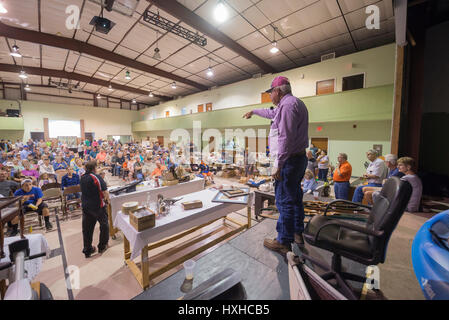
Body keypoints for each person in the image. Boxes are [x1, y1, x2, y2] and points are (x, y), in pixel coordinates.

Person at [243, 75, 309, 253]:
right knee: (295, 197)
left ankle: (283, 241)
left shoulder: (287, 106)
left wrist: (278, 165)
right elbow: (271, 113)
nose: (270, 96)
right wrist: (254, 111)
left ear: (277, 91)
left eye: (270, 92)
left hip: (289, 160)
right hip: (297, 159)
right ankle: (297, 233)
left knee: (284, 200)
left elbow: (285, 138)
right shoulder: (291, 104)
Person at [80, 161, 109, 258]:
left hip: (86, 207)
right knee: (105, 226)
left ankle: (87, 250)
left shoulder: (83, 177)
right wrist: (107, 201)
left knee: (87, 230)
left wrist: (103, 169)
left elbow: (93, 173)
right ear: (94, 168)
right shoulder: (97, 177)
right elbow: (105, 192)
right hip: (97, 207)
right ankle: (102, 246)